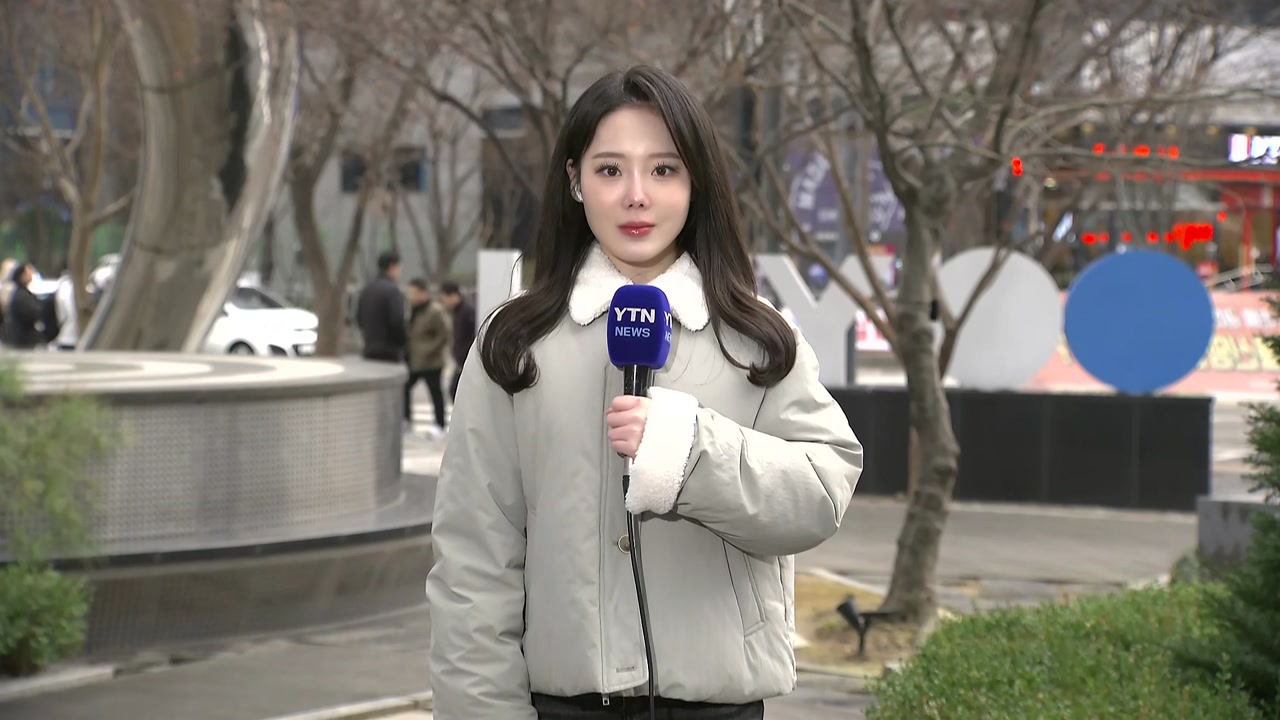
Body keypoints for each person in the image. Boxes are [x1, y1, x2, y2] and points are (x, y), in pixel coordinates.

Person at [425, 66, 863, 719]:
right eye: (610, 170)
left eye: (663, 169)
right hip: (561, 706)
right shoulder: (513, 343)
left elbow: (820, 496)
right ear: (574, 181)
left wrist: (689, 452)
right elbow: (473, 556)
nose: (636, 196)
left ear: (696, 182)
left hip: (716, 706)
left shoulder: (760, 340)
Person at [405, 278, 451, 437]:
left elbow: (445, 333)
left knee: (435, 392)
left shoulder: (435, 311)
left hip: (432, 361)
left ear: (423, 293)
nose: (411, 296)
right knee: (404, 387)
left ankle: (440, 423)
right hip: (415, 360)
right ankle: (406, 419)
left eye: (414, 293)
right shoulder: (414, 310)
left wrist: (430, 349)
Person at [356, 251, 408, 363]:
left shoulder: (367, 289)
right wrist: (404, 343)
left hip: (369, 348)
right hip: (389, 351)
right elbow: (397, 321)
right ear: (392, 266)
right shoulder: (393, 290)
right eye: (399, 267)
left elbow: (359, 318)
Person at [438, 281, 475, 401]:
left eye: (444, 299)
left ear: (453, 296)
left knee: (455, 391)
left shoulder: (467, 312)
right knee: (455, 391)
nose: (444, 303)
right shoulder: (457, 312)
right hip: (461, 360)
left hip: (466, 360)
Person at [3, 262, 45, 350]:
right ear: (22, 276)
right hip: (23, 341)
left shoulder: (24, 293)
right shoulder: (21, 296)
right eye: (29, 271)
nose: (32, 273)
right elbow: (31, 315)